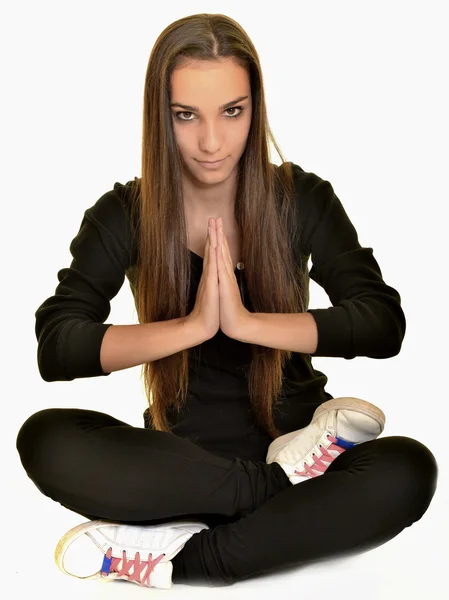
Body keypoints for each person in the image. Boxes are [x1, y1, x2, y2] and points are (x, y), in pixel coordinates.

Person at [16, 12, 438, 590]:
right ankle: (274, 493)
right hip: (184, 470)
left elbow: (382, 323)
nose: (211, 142)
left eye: (231, 112)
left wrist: (246, 323)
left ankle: (184, 557)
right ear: (159, 118)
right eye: (186, 115)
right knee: (44, 439)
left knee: (408, 469)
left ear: (254, 109)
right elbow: (57, 346)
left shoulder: (301, 198)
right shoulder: (124, 214)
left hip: (303, 440)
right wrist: (192, 327)